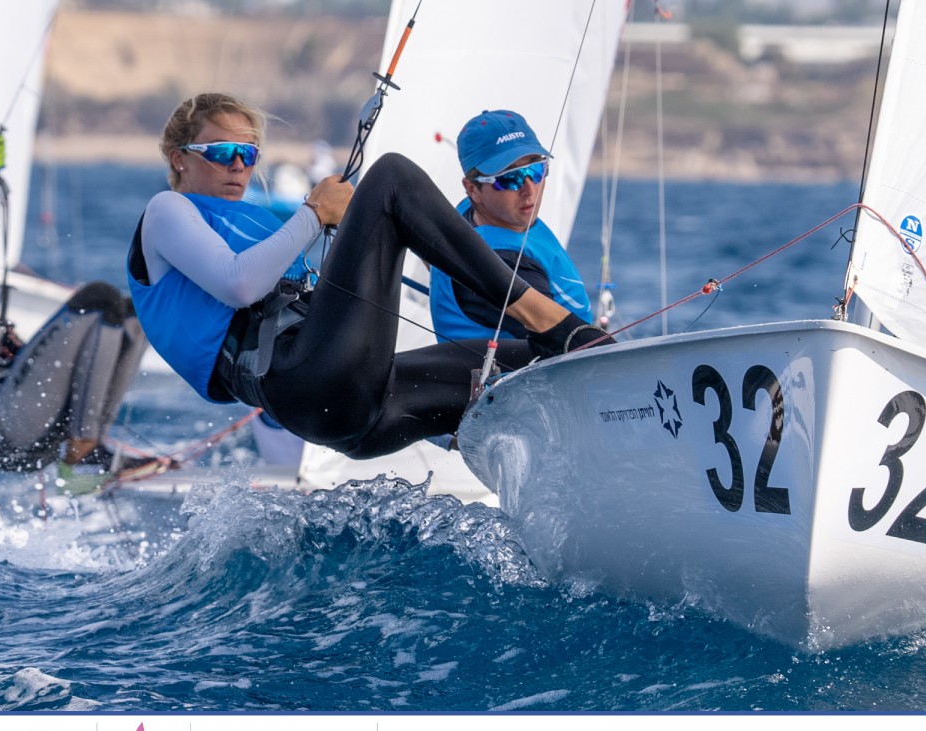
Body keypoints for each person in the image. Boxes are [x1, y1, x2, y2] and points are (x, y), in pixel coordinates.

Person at [127, 93, 613, 461]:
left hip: (363, 411)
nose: (237, 164)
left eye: (248, 154)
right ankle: (546, 317)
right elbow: (239, 285)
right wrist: (315, 213)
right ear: (178, 157)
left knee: (536, 366)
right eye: (221, 151)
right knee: (392, 178)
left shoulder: (251, 220)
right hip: (304, 385)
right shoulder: (167, 210)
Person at [430, 109, 592, 343]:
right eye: (510, 178)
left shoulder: (466, 212)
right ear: (473, 189)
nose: (529, 189)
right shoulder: (506, 263)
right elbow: (566, 344)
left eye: (536, 170)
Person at [0, 281, 150, 495]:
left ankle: (92, 448)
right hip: (6, 434)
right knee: (101, 299)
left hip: (22, 423)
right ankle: (85, 441)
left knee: (136, 312)